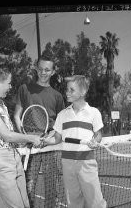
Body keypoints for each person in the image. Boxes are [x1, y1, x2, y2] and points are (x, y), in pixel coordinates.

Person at [0, 66, 42, 208]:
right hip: (1, 159)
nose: (10, 87)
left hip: (13, 155)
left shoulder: (1, 104)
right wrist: (31, 138)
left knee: (23, 203)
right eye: (8, 83)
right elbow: (7, 135)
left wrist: (21, 142)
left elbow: (8, 137)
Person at [43, 75, 107, 208]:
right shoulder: (62, 115)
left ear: (83, 92)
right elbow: (57, 138)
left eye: (72, 90)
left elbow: (98, 134)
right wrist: (44, 141)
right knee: (73, 201)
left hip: (86, 162)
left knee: (95, 201)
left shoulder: (93, 112)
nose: (67, 93)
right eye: (67, 89)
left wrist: (95, 141)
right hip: (67, 163)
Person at [14, 56, 65, 208]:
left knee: (51, 189)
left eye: (47, 69)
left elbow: (60, 124)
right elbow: (17, 115)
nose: (43, 72)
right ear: (36, 68)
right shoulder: (24, 89)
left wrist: (50, 137)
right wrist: (25, 136)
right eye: (40, 68)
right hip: (30, 146)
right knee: (28, 187)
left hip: (50, 146)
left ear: (53, 71)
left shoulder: (57, 96)